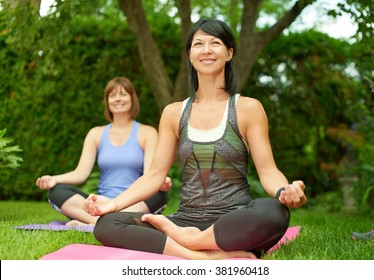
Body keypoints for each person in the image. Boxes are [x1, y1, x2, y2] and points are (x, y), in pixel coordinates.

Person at [83, 19, 307, 259]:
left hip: (234, 222)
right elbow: (155, 175)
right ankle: (204, 256)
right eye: (198, 44)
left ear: (229, 53)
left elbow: (268, 171)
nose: (207, 50)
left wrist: (285, 191)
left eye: (215, 43)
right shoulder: (173, 113)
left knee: (274, 211)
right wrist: (113, 205)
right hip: (184, 219)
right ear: (190, 55)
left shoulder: (248, 108)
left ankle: (193, 241)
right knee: (108, 224)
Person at [36, 77, 170, 226]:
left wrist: (161, 182)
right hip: (100, 203)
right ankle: (106, 221)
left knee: (158, 193)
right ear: (107, 102)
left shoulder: (147, 133)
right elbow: (81, 173)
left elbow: (150, 174)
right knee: (57, 191)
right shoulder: (96, 134)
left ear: (132, 99)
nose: (117, 99)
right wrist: (55, 179)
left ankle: (96, 222)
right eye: (112, 95)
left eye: (123, 94)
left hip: (133, 201)